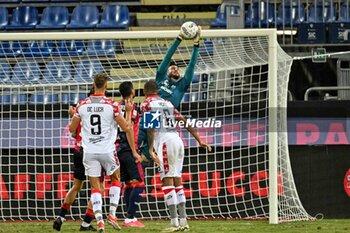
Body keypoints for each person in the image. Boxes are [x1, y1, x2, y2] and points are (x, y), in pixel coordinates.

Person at [69, 73, 140, 233]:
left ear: (93, 85)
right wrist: (128, 112)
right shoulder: (112, 105)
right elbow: (127, 127)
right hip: (107, 150)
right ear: (106, 86)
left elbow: (72, 129)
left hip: (89, 152)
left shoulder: (82, 104)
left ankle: (99, 222)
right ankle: (112, 215)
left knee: (95, 188)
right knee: (115, 179)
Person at [140, 80, 211, 232]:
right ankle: (183, 222)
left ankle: (174, 223)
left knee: (167, 181)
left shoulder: (146, 103)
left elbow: (151, 129)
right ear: (157, 91)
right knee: (177, 181)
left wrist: (151, 150)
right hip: (178, 141)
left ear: (145, 92)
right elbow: (183, 121)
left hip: (165, 142)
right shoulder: (168, 103)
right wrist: (199, 140)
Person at [138, 26, 202, 163]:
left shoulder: (181, 86)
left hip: (165, 127)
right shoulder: (160, 78)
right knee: (137, 159)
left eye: (177, 68)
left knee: (154, 163)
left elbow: (191, 66)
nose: (175, 68)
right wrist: (179, 39)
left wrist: (196, 45)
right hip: (148, 121)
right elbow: (168, 57)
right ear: (166, 71)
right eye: (172, 67)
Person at [53, 88, 97, 232]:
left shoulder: (81, 107)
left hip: (78, 150)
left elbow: (73, 133)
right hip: (93, 151)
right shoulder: (103, 108)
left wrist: (72, 117)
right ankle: (86, 223)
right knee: (97, 188)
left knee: (76, 186)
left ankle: (61, 216)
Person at [116, 81, 146, 227]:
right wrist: (134, 151)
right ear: (132, 92)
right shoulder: (131, 108)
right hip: (128, 148)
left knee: (128, 183)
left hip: (118, 149)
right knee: (140, 181)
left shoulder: (116, 106)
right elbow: (128, 129)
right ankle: (130, 217)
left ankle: (128, 217)